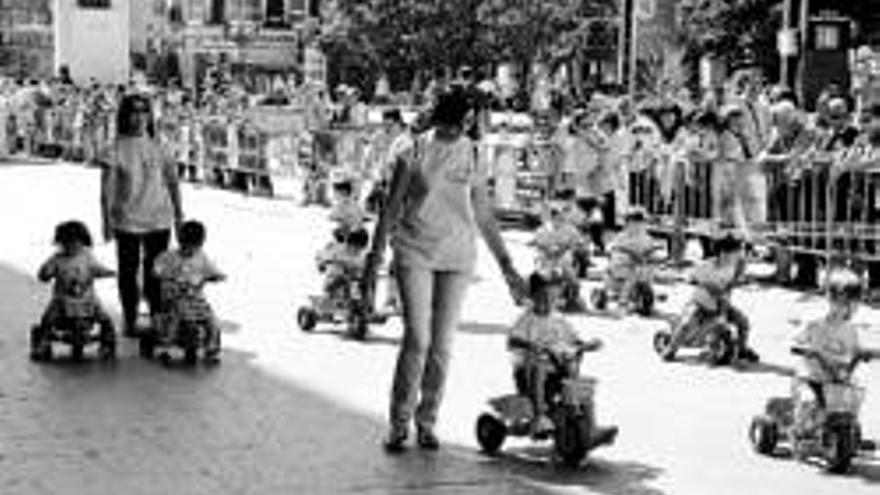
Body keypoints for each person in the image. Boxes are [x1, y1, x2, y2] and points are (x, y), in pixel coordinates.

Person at [362, 86, 527, 452]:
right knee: (417, 340)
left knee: (441, 345)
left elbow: (483, 213)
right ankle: (399, 423)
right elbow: (391, 209)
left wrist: (508, 267)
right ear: (437, 118)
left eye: (461, 125)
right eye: (448, 125)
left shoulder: (471, 152)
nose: (454, 132)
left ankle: (427, 421)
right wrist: (372, 264)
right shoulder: (413, 149)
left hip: (457, 256)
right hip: (414, 250)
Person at [100, 92, 184, 337]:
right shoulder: (115, 148)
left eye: (143, 111)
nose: (139, 117)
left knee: (155, 270)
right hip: (127, 220)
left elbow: (173, 182)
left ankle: (157, 315)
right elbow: (106, 190)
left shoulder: (161, 147)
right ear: (124, 116)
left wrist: (179, 216)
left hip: (160, 218)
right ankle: (130, 316)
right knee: (128, 270)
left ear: (150, 116)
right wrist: (105, 220)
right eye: (133, 112)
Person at [507, 272, 602, 434]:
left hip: (559, 366)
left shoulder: (559, 320)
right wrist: (530, 345)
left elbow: (573, 339)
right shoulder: (527, 320)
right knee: (540, 365)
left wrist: (586, 344)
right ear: (533, 297)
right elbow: (512, 340)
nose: (548, 301)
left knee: (579, 382)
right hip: (529, 372)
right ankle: (539, 416)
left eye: (552, 297)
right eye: (543, 296)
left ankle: (589, 425)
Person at [790, 267, 878, 433]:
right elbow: (797, 340)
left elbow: (855, 349)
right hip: (811, 378)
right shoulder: (815, 323)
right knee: (809, 401)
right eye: (849, 304)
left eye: (855, 305)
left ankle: (848, 431)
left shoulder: (850, 329)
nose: (853, 309)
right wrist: (804, 348)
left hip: (837, 377)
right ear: (833, 301)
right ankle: (799, 431)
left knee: (853, 397)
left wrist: (867, 353)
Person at [663, 231, 760, 362]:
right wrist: (696, 280)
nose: (734, 257)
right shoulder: (707, 265)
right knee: (686, 323)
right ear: (721, 253)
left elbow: (736, 279)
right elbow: (692, 275)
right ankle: (671, 349)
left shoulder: (735, 266)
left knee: (742, 322)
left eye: (736, 254)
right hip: (700, 303)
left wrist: (742, 282)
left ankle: (742, 349)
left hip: (721, 303)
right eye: (731, 254)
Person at [33, 220, 116, 357]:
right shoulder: (57, 259)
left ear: (83, 242)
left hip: (87, 300)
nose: (71, 246)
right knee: (49, 318)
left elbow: (96, 269)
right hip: (62, 301)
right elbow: (45, 273)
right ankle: (43, 343)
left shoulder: (87, 257)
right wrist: (45, 273)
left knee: (105, 318)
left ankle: (107, 343)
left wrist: (108, 272)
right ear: (60, 243)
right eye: (67, 243)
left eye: (75, 242)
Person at [153, 220, 225, 362]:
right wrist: (161, 273)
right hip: (174, 297)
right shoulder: (168, 257)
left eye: (194, 247)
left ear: (200, 244)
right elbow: (157, 268)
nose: (190, 250)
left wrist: (217, 276)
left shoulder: (201, 257)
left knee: (211, 321)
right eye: (186, 246)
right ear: (180, 241)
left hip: (196, 299)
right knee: (174, 318)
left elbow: (211, 269)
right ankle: (166, 346)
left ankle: (211, 348)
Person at [604, 208, 662, 305]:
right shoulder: (622, 237)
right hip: (623, 266)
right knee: (632, 275)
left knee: (650, 272)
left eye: (641, 224)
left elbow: (652, 249)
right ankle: (624, 297)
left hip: (641, 265)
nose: (638, 227)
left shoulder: (647, 238)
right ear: (627, 224)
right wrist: (620, 252)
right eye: (634, 223)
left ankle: (648, 292)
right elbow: (613, 248)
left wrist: (655, 255)